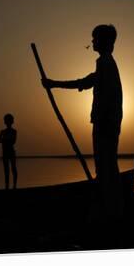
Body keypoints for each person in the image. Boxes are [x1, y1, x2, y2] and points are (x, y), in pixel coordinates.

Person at [42, 24, 123, 219]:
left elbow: (101, 92)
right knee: (108, 167)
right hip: (108, 123)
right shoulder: (105, 64)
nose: (92, 42)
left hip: (105, 123)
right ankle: (113, 202)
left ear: (106, 42)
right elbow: (85, 82)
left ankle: (110, 209)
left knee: (105, 168)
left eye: (95, 39)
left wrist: (54, 84)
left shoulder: (106, 64)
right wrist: (54, 84)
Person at [0, 113, 18, 189]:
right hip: (5, 153)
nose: (7, 122)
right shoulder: (3, 131)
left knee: (13, 168)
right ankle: (7, 187)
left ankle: (14, 186)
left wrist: (4, 139)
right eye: (6, 121)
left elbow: (13, 141)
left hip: (11, 152)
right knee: (6, 170)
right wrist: (1, 135)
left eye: (8, 121)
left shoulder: (14, 131)